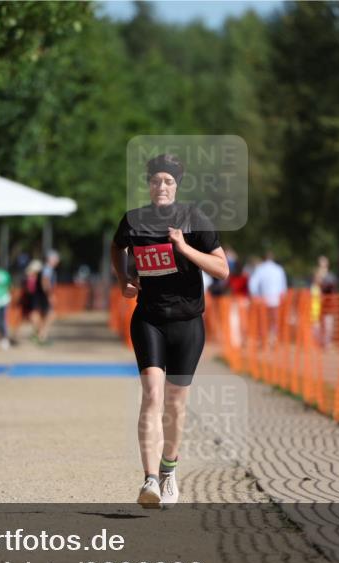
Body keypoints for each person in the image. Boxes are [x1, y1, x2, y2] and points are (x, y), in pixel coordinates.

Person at [110, 153, 229, 509]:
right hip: (148, 318)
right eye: (156, 180)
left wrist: (184, 247)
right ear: (149, 184)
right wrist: (124, 279)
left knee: (175, 406)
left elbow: (222, 269)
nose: (161, 186)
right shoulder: (134, 221)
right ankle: (148, 481)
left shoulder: (194, 219)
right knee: (152, 395)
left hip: (188, 323)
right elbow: (117, 247)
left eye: (169, 181)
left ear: (177, 185)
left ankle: (168, 471)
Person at [248, 249, 287, 346]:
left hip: (263, 299)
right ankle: (273, 339)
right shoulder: (279, 269)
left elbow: (252, 284)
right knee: (274, 320)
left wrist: (255, 295)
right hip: (276, 299)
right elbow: (283, 286)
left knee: (263, 321)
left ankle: (265, 340)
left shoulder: (261, 268)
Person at [37, 250, 60, 345]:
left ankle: (42, 335)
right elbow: (45, 281)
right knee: (51, 315)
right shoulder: (48, 269)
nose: (57, 262)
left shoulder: (46, 268)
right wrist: (50, 295)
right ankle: (42, 335)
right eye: (56, 259)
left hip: (43, 294)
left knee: (47, 315)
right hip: (45, 295)